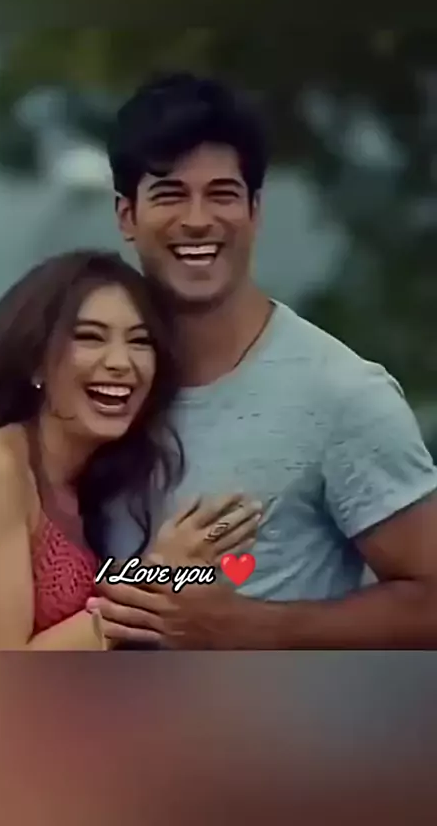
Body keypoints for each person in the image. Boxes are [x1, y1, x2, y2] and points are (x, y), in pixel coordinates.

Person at [92, 72, 437, 648]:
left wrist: (254, 628)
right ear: (126, 215)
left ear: (255, 210)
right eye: (170, 194)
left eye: (222, 194)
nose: (197, 219)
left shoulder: (342, 394)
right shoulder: (96, 387)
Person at [0, 249, 261, 650]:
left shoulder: (96, 483)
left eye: (140, 341)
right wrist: (157, 574)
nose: (121, 362)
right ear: (35, 362)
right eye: (90, 337)